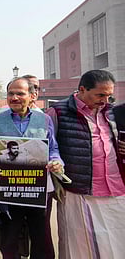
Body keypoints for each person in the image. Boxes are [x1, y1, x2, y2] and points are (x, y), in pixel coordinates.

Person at [47, 70, 125, 258]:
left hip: (116, 189)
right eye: (100, 95)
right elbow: (49, 147)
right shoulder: (58, 112)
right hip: (78, 191)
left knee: (117, 242)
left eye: (109, 95)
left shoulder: (112, 112)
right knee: (80, 247)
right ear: (82, 89)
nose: (105, 100)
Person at [0, 77, 63, 259]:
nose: (14, 97)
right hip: (10, 188)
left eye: (20, 93)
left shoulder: (44, 119)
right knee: (10, 237)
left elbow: (53, 148)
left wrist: (57, 161)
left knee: (41, 236)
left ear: (32, 96)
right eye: (10, 94)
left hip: (39, 189)